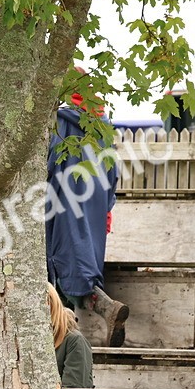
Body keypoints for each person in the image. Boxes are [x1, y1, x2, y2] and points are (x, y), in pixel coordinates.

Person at [46, 90, 128, 346]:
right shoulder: (102, 129)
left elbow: (46, 165)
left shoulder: (57, 122)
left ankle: (63, 338)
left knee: (56, 270)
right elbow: (113, 175)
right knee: (80, 269)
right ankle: (106, 308)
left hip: (61, 204)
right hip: (93, 208)